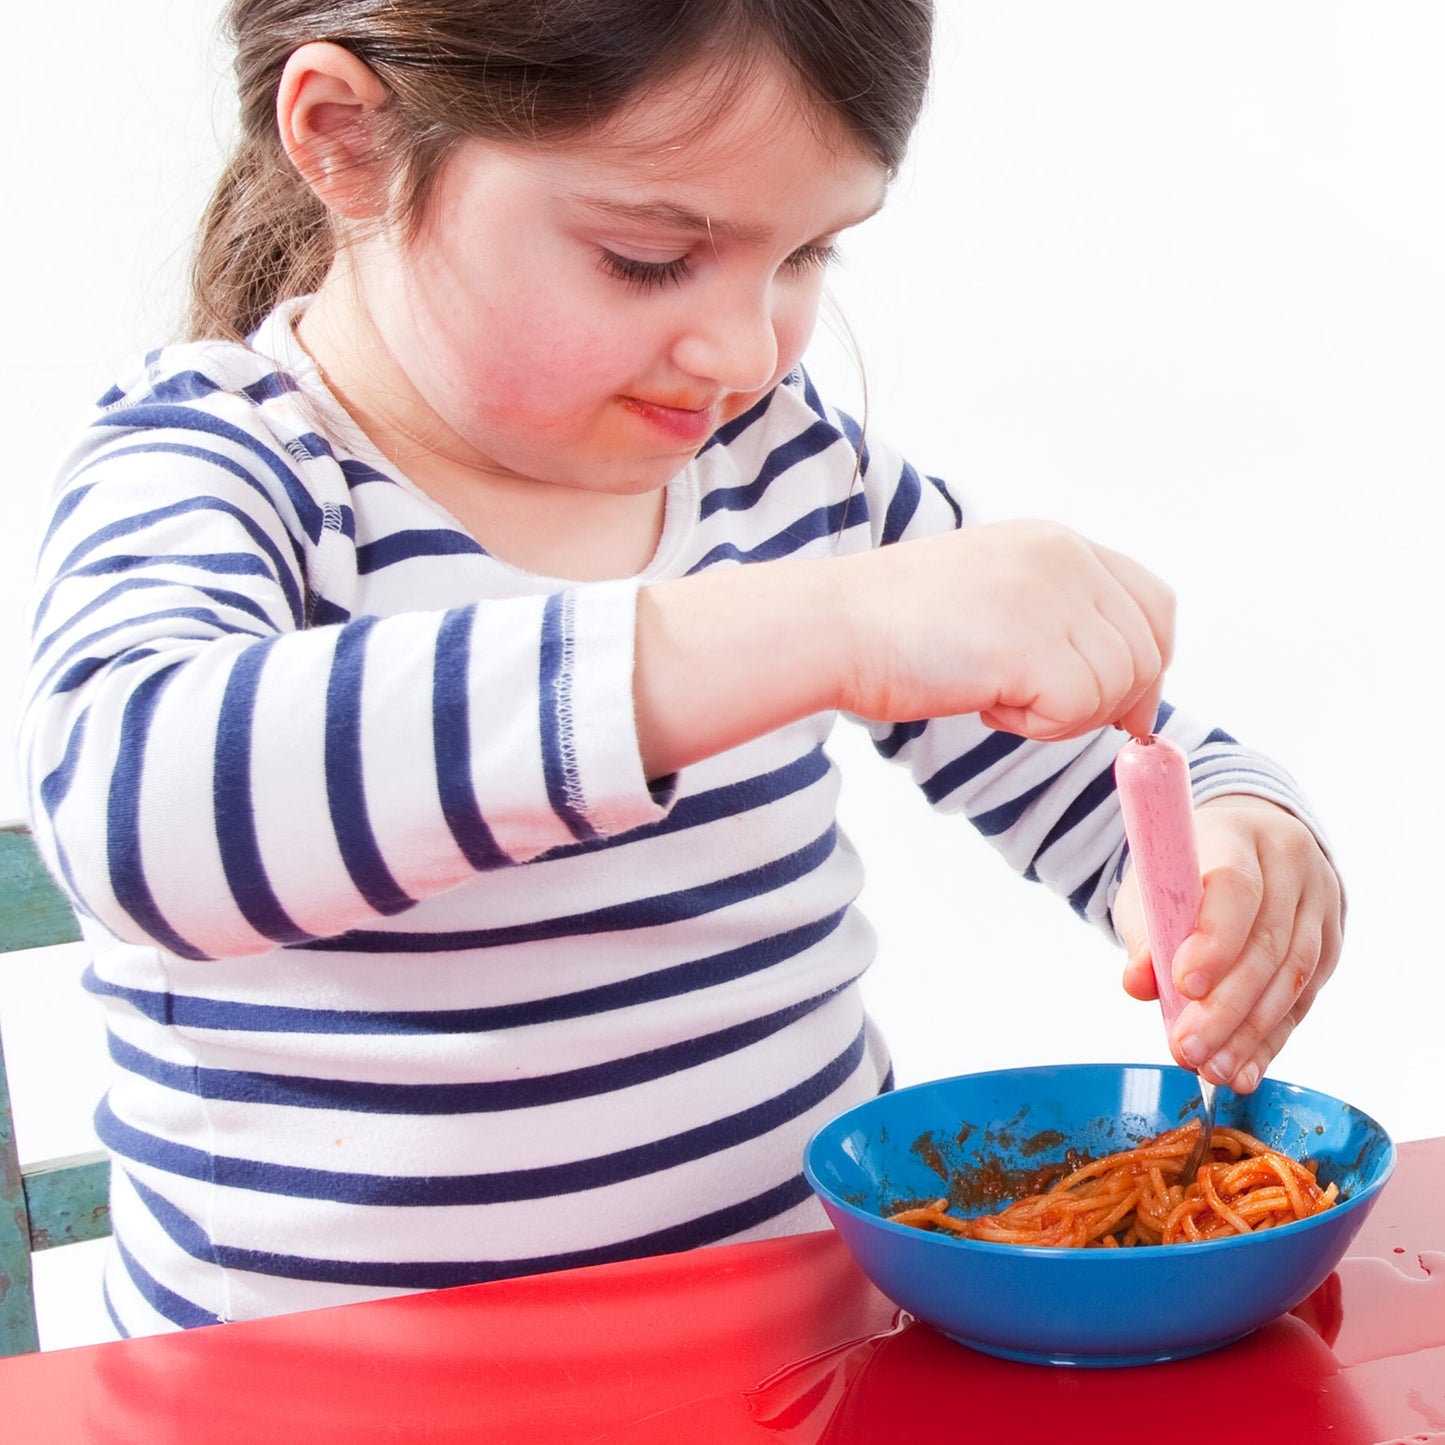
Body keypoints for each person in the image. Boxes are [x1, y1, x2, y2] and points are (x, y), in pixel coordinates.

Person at [20, 0, 1340, 1339]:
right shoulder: (227, 467)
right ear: (346, 140)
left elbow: (1089, 759)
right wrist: (817, 629)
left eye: (809, 254)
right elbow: (136, 814)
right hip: (322, 1401)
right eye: (648, 257)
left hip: (791, 1368)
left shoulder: (781, 468)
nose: (747, 351)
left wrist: (1231, 834)